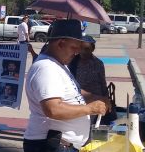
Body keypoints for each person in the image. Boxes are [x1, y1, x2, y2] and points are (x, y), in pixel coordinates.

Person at [23, 19, 107, 152]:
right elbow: (53, 109)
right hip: (52, 145)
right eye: (74, 47)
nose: (77, 52)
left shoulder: (59, 64)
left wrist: (94, 97)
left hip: (60, 145)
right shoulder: (46, 68)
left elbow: (74, 92)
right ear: (61, 43)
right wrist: (90, 109)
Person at [68, 35, 110, 124]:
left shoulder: (98, 63)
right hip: (78, 101)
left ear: (92, 49)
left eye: (86, 49)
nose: (83, 51)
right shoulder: (72, 63)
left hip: (96, 100)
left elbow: (103, 83)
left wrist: (106, 98)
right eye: (81, 48)